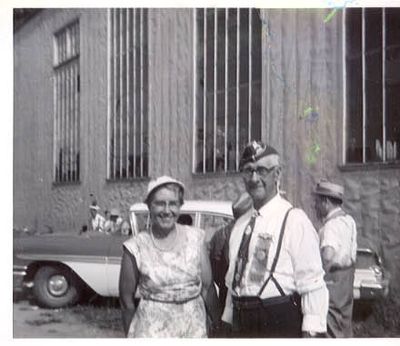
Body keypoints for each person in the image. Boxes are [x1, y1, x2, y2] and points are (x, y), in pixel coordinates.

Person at [222, 140, 328, 338]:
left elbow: (312, 283)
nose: (254, 178)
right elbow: (232, 282)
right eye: (248, 171)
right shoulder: (240, 225)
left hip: (277, 321)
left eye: (262, 170)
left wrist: (312, 333)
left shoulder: (294, 220)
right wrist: (227, 321)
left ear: (277, 174)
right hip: (241, 324)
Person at [119, 175, 220, 337]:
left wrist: (217, 324)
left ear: (180, 206)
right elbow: (126, 301)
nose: (167, 211)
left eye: (173, 203)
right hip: (151, 331)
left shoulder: (195, 239)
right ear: (149, 206)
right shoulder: (135, 247)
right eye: (159, 203)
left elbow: (207, 289)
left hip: (192, 329)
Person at [313, 179, 357, 338]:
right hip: (346, 282)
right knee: (344, 325)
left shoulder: (330, 226)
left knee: (331, 328)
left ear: (325, 202)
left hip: (333, 282)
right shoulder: (349, 221)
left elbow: (328, 256)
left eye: (317, 202)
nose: (316, 206)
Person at [209, 192, 253, 310]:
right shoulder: (250, 232)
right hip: (245, 297)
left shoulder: (220, 234)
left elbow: (214, 268)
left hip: (226, 294)